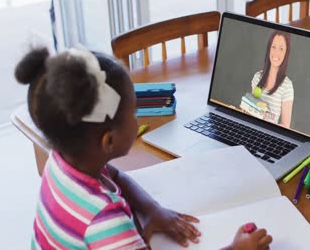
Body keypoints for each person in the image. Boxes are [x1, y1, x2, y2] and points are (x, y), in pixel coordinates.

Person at [15, 47, 272, 249]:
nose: (138, 120)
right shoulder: (106, 222)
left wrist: (151, 210)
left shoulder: (62, 162)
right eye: (134, 113)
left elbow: (116, 176)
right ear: (109, 141)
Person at [251, 31, 294, 128]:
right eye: (273, 47)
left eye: (281, 49)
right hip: (252, 129)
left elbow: (286, 125)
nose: (276, 53)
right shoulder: (257, 77)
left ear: (286, 53)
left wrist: (267, 123)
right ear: (269, 49)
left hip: (269, 135)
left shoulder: (287, 86)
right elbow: (251, 106)